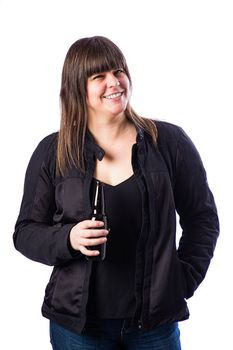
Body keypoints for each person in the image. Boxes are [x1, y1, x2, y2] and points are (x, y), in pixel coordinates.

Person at [13, 36, 219, 350]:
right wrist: (69, 239)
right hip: (78, 330)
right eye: (99, 76)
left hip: (154, 326)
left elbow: (202, 218)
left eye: (118, 71)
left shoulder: (168, 142)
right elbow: (25, 232)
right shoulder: (53, 151)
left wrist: (184, 279)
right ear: (77, 87)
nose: (114, 82)